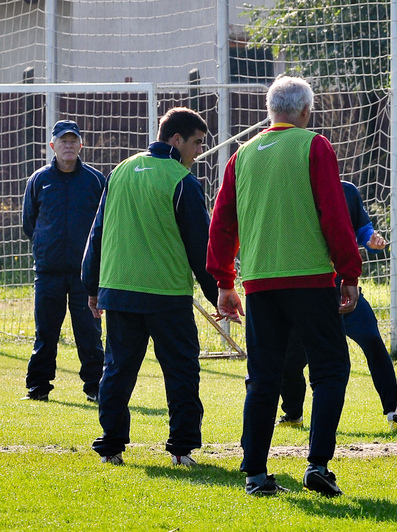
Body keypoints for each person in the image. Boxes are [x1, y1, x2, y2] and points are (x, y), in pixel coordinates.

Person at [207, 75, 362, 497]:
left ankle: (255, 473)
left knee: (263, 377)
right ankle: (317, 464)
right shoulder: (314, 145)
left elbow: (222, 223)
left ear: (269, 110)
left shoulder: (241, 155)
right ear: (306, 111)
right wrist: (349, 273)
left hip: (259, 283)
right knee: (330, 370)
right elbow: (334, 214)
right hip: (310, 279)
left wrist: (224, 280)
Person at [82, 107, 216, 468]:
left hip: (119, 291)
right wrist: (217, 292)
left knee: (117, 371)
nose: (198, 151)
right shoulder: (181, 180)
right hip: (166, 295)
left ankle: (111, 447)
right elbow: (200, 245)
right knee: (182, 371)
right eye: (196, 143)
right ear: (176, 139)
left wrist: (92, 286)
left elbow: (97, 232)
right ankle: (181, 449)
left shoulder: (120, 171)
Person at [276, 180, 397, 430]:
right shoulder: (294, 190)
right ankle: (293, 414)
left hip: (345, 290)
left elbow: (363, 229)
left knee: (372, 340)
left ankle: (393, 411)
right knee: (290, 361)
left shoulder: (347, 191)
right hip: (309, 295)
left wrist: (372, 240)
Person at [21, 120, 106, 403]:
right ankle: (38, 387)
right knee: (45, 332)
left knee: (89, 333)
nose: (68, 145)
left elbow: (105, 224)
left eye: (73, 141)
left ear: (81, 145)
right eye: (62, 141)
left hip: (86, 275)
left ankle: (95, 386)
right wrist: (47, 247)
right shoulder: (38, 180)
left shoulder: (95, 181)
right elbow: (29, 223)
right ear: (52, 146)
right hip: (48, 272)